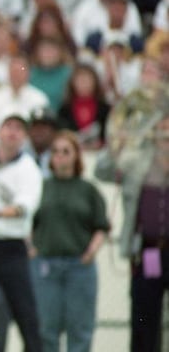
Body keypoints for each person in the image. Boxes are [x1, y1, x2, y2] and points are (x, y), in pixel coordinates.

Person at [95, 108, 169, 352]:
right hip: (149, 251)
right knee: (144, 318)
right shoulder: (138, 161)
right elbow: (102, 170)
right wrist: (118, 145)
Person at [30, 130, 110, 352]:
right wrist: (31, 248)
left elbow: (102, 226)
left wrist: (90, 253)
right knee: (46, 330)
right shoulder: (40, 187)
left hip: (79, 269)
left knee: (80, 331)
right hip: (45, 268)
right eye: (55, 151)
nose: (60, 156)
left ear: (76, 155)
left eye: (66, 151)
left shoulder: (88, 190)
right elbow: (28, 221)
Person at [0, 115, 44, 352]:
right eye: (8, 127)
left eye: (18, 129)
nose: (12, 132)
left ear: (24, 137)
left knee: (25, 312)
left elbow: (24, 207)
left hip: (11, 248)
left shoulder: (29, 169)